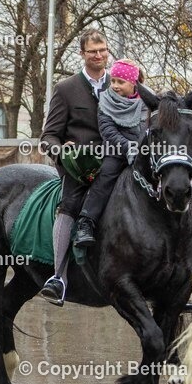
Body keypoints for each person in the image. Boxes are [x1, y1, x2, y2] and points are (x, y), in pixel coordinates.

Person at [38, 28, 111, 305]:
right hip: (78, 168)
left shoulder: (120, 85)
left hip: (114, 162)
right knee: (69, 204)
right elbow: (48, 137)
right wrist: (62, 152)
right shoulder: (66, 89)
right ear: (82, 54)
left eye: (102, 50)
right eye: (92, 51)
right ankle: (58, 277)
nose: (98, 55)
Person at [73, 60, 147, 247]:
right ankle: (86, 221)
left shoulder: (146, 102)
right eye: (113, 80)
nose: (114, 85)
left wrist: (140, 148)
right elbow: (108, 131)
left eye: (120, 82)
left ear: (134, 83)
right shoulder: (105, 101)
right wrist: (128, 147)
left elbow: (148, 128)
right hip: (115, 151)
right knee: (104, 177)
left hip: (142, 151)